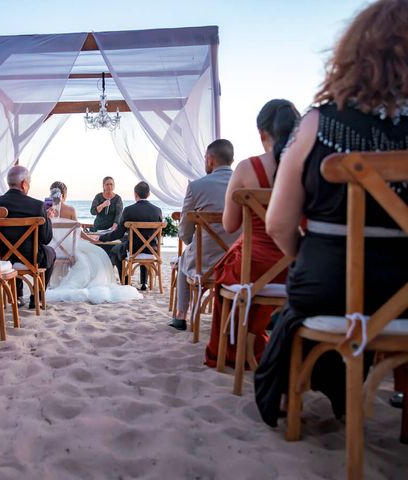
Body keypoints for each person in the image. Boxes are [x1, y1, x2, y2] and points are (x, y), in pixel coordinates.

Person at [255, 0, 408, 427]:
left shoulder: (316, 125)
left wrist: (308, 258)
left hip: (327, 284)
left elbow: (279, 224)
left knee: (293, 311)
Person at [204, 99, 300, 368]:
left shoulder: (247, 169)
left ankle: (236, 350)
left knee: (226, 273)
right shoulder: (309, 166)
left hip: (254, 269)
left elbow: (230, 224)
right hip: (297, 266)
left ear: (261, 134)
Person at [169, 139, 240, 330]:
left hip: (205, 265)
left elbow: (184, 232)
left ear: (210, 159)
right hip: (238, 263)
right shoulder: (244, 185)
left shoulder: (196, 187)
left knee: (184, 258)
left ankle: (181, 316)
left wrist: (193, 243)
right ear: (232, 159)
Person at [46, 182, 142, 304]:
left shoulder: (46, 210)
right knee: (98, 253)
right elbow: (78, 232)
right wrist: (92, 240)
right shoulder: (70, 210)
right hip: (69, 250)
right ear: (64, 195)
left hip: (51, 249)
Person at [0, 165, 56, 309]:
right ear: (24, 184)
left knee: (11, 249)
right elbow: (46, 238)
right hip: (31, 258)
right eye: (28, 184)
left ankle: (17, 296)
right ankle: (37, 297)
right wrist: (47, 219)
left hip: (0, 257)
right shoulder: (37, 206)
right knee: (50, 252)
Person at [97, 181, 163, 289]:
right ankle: (144, 283)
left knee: (115, 250)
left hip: (133, 250)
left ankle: (126, 282)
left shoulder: (128, 210)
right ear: (149, 194)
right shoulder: (157, 211)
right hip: (152, 250)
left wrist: (101, 238)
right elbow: (156, 234)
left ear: (135, 194)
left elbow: (118, 233)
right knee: (144, 242)